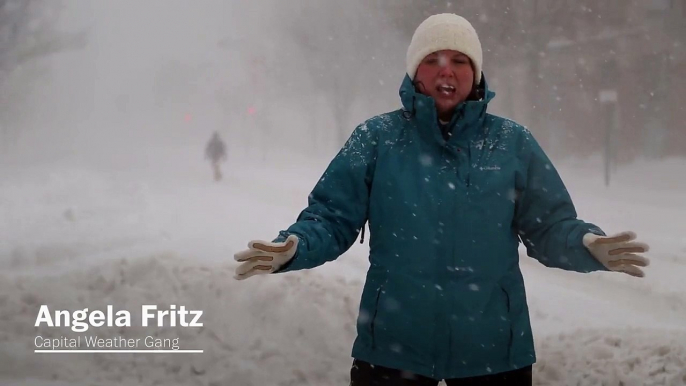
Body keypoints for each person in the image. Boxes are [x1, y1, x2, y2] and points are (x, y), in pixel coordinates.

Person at [233, 13, 650, 386]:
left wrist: (586, 244)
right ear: (415, 72)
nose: (445, 70)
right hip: (392, 357)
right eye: (432, 60)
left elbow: (549, 227)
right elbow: (331, 217)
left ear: (477, 73)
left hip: (493, 359)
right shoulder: (376, 139)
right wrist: (295, 246)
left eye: (460, 60)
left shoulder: (513, 144)